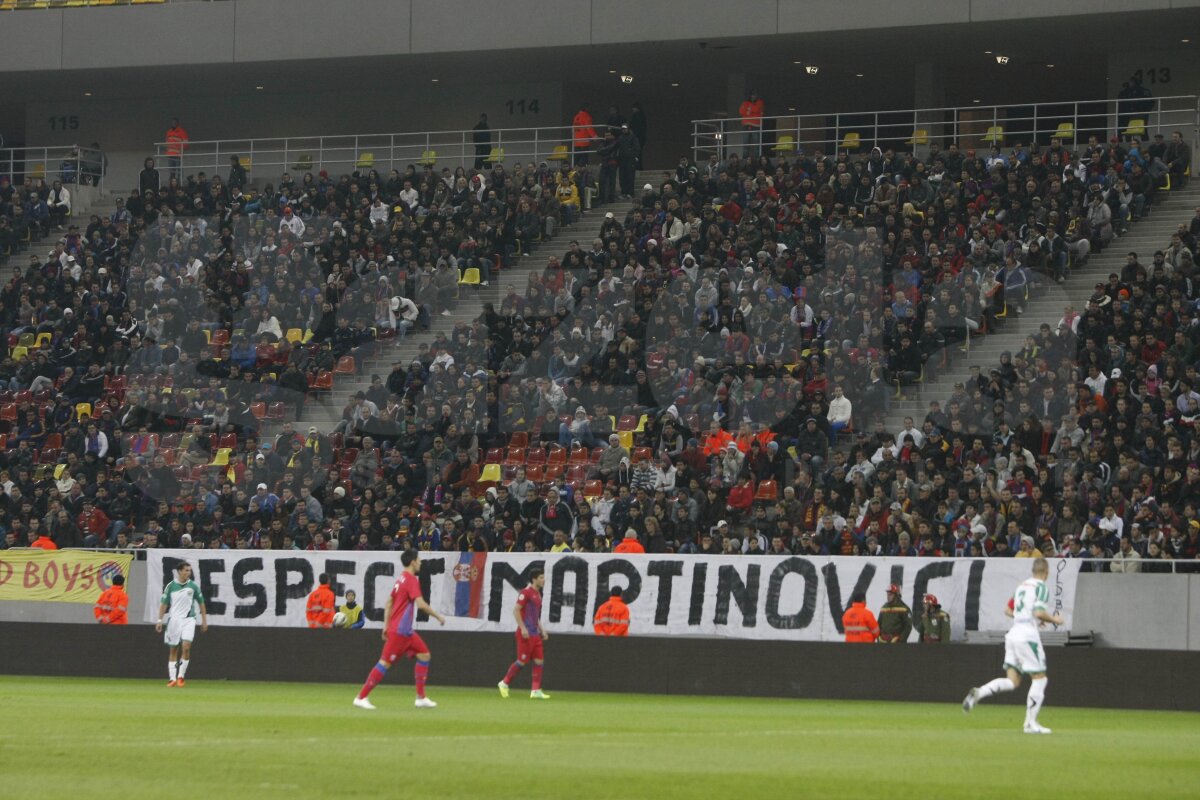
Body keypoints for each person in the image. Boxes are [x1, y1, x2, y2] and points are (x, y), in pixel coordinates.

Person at [962, 557, 1064, 734]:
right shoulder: (1041, 587)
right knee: (1040, 678)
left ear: (1033, 571)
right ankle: (1030, 723)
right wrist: (1054, 619)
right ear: (1046, 573)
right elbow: (1039, 612)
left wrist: (1026, 617)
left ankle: (979, 692)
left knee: (1012, 681)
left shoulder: (1022, 586)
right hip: (1027, 636)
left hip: (1013, 634)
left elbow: (1007, 610)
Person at [354, 550, 446, 710]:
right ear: (412, 562)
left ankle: (420, 698)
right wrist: (438, 617)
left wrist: (385, 626)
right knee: (384, 663)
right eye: (419, 559)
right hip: (400, 631)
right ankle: (361, 697)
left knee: (425, 655)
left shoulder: (400, 579)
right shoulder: (410, 580)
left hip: (405, 631)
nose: (421, 562)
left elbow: (389, 602)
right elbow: (421, 604)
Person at [497, 567, 550, 699]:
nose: (544, 580)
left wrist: (542, 629)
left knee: (539, 661)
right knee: (522, 661)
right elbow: (516, 610)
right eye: (541, 578)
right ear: (534, 579)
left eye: (543, 577)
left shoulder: (538, 594)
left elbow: (534, 615)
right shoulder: (526, 592)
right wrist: (523, 628)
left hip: (535, 634)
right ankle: (504, 683)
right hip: (525, 633)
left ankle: (535, 690)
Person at [155, 561, 208, 687]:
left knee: (186, 647)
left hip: (189, 620)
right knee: (173, 649)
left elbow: (201, 603)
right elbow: (164, 604)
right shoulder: (171, 586)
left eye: (189, 570)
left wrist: (204, 620)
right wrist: (159, 620)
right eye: (186, 570)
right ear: (179, 571)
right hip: (174, 620)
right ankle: (172, 678)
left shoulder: (193, 586)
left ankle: (181, 677)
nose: (188, 573)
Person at [739, 91, 765, 156]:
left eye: (755, 95)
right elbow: (741, 112)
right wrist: (751, 110)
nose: (753, 96)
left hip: (755, 125)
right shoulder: (745, 102)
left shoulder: (760, 102)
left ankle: (757, 157)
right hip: (746, 125)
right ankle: (745, 157)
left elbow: (756, 109)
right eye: (752, 95)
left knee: (756, 143)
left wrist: (748, 109)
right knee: (745, 143)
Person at [164, 117, 188, 182]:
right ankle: (172, 183)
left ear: (178, 123)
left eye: (175, 122)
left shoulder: (182, 131)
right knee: (171, 171)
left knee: (179, 171)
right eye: (172, 122)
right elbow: (166, 142)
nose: (173, 124)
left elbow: (185, 143)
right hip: (170, 155)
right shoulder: (169, 132)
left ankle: (179, 183)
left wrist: (181, 151)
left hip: (178, 155)